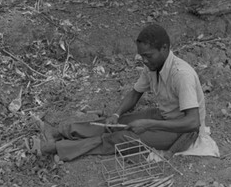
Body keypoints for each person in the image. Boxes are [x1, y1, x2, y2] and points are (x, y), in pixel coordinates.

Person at [41, 23, 205, 161]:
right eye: (142, 56)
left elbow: (192, 122)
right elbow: (135, 93)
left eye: (148, 56)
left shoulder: (182, 75)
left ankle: (58, 148)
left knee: (120, 138)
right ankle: (60, 132)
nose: (144, 61)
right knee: (112, 124)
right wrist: (117, 114)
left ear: (164, 48)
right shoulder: (153, 66)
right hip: (164, 116)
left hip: (180, 132)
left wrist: (149, 124)